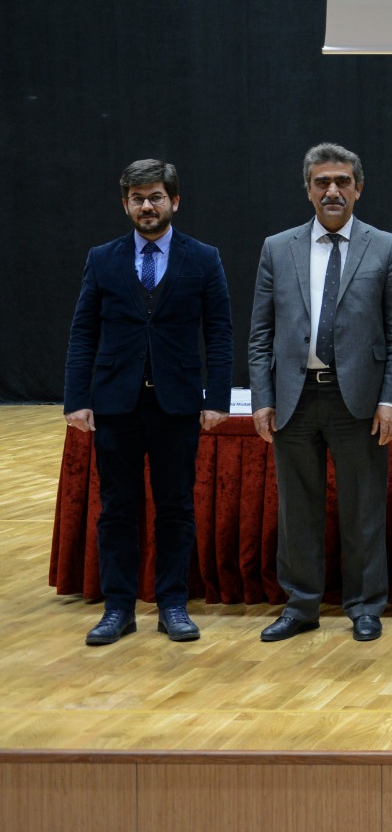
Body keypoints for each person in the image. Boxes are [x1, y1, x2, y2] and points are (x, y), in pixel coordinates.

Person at [65, 160, 232, 646]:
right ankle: (118, 608)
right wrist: (77, 398)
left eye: (155, 196)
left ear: (174, 201)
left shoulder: (203, 257)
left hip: (177, 405)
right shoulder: (102, 258)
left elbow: (218, 333)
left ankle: (172, 604)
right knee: (117, 508)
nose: (146, 206)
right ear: (125, 205)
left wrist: (216, 397)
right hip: (115, 404)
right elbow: (83, 332)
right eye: (137, 198)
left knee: (176, 507)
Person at [248, 143, 392, 643]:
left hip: (357, 400)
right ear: (308, 190)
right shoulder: (278, 247)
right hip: (295, 397)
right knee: (297, 509)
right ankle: (300, 605)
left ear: (358, 188)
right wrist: (262, 398)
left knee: (363, 507)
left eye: (342, 181)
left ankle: (365, 606)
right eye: (322, 182)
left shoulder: (385, 246)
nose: (333, 191)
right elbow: (259, 333)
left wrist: (391, 399)